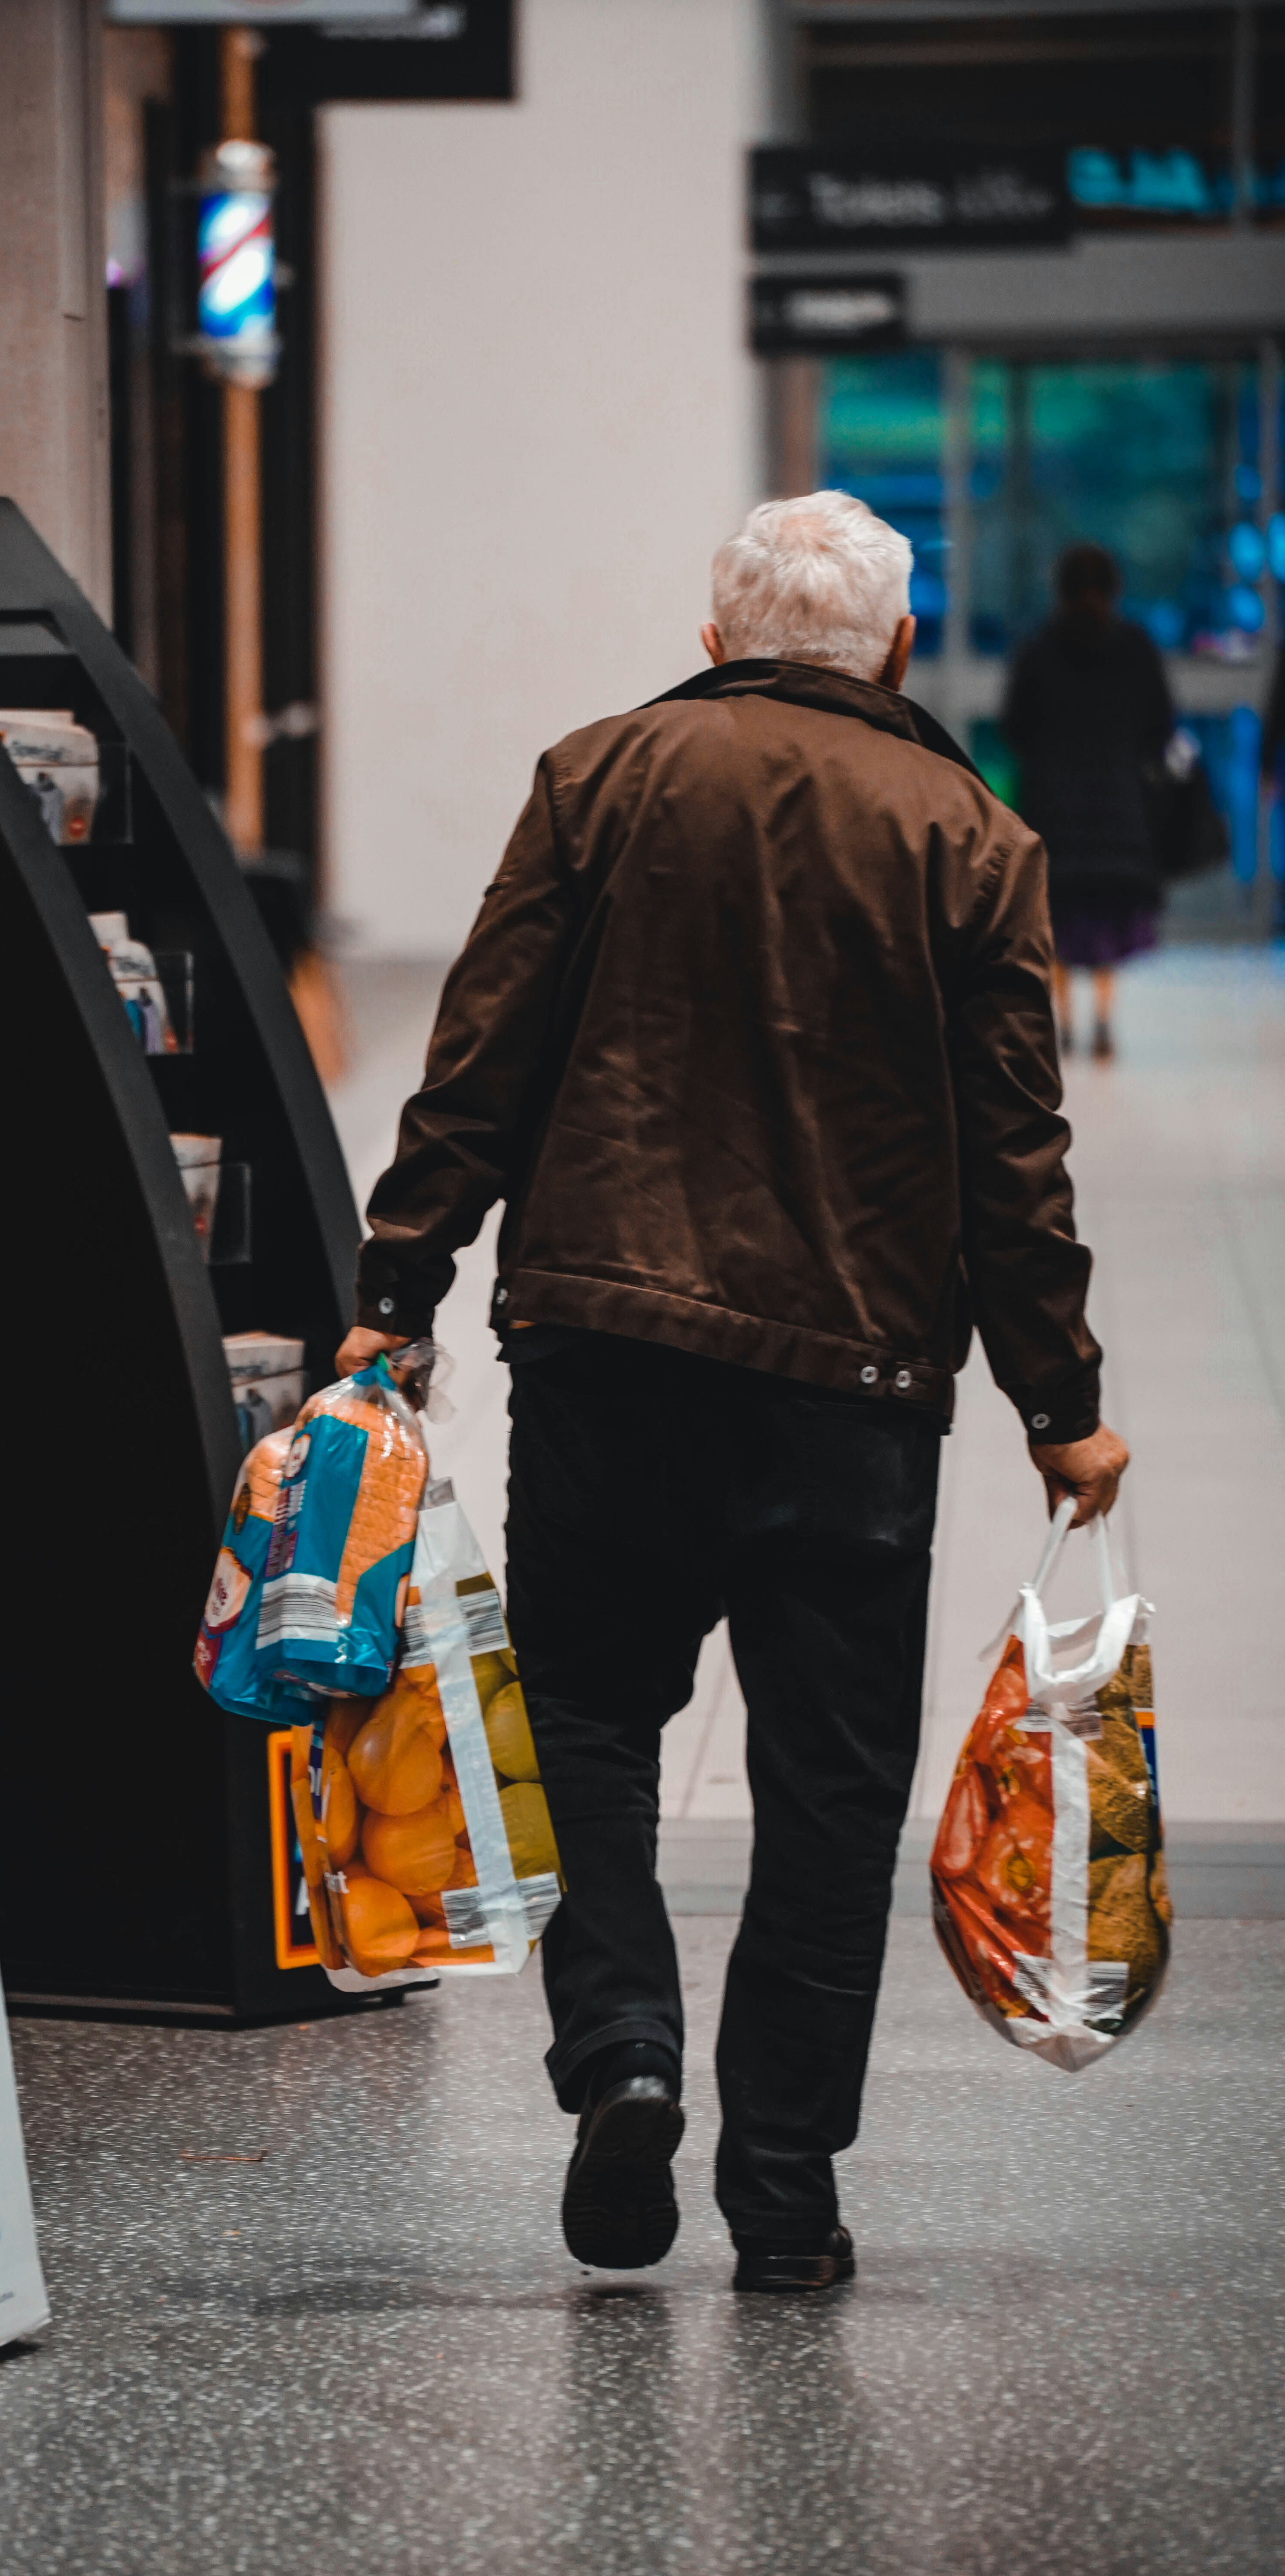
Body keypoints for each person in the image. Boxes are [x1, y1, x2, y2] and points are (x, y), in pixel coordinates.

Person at [336, 490, 1129, 2294]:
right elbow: (1016, 1162)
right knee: (830, 1793)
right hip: (847, 1387)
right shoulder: (970, 836)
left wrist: (400, 1282)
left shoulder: (597, 778)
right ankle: (784, 2195)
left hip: (604, 1353)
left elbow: (485, 1050)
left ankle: (620, 2054)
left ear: (716, 638)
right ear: (899, 648)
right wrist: (1057, 1398)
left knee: (591, 1736)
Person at [1001, 543, 1173, 1060]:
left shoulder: (1038, 647)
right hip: (1117, 806)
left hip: (1053, 806)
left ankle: (1066, 1024)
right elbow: (1159, 725)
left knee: (1056, 915)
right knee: (1105, 918)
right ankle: (1102, 1019)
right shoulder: (1135, 647)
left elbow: (1014, 726)